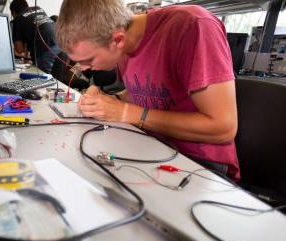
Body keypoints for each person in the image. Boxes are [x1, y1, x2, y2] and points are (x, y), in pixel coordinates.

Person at [56, 0, 240, 180]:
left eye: (88, 60)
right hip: (149, 144)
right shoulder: (123, 46)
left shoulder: (193, 26)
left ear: (117, 40)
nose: (84, 69)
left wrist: (127, 113)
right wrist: (110, 101)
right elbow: (143, 92)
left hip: (199, 163)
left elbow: (223, 127)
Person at [10, 0, 61, 73]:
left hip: (45, 50)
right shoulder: (38, 8)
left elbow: (19, 49)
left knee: (42, 79)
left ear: (13, 12)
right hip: (61, 43)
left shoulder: (18, 19)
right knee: (58, 79)